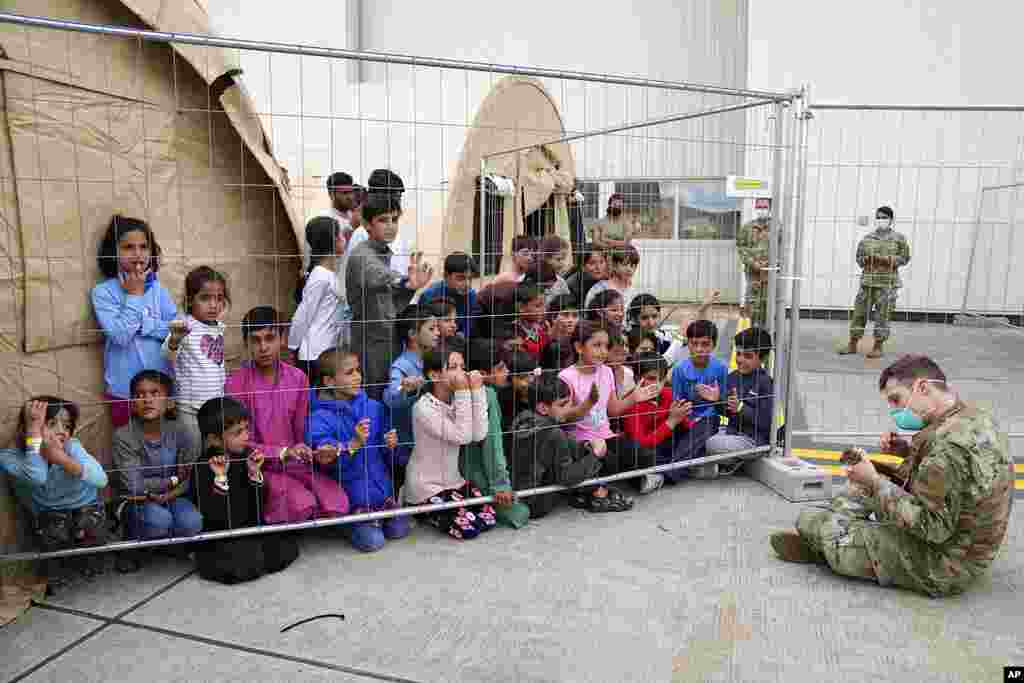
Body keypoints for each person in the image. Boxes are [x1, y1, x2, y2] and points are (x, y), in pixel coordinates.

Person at [772, 355, 1014, 598]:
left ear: (922, 387)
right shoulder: (972, 417)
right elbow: (950, 478)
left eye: (896, 400)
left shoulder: (948, 448)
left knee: (816, 523)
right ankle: (836, 529)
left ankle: (831, 539)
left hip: (946, 565)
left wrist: (876, 482)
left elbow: (932, 529)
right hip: (970, 548)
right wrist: (906, 452)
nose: (896, 411)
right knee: (864, 482)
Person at [225, 306, 348, 524]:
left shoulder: (298, 378)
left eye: (270, 338)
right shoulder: (235, 383)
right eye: (255, 340)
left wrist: (316, 449)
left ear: (282, 338)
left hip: (296, 462)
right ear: (247, 344)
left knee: (337, 503)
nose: (263, 347)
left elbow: (303, 428)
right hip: (257, 465)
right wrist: (281, 452)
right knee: (301, 503)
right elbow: (238, 443)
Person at [306, 348, 406, 552]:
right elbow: (326, 462)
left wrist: (391, 446)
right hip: (351, 499)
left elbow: (391, 457)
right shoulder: (318, 418)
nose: (358, 376)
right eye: (349, 372)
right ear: (329, 382)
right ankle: (343, 523)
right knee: (373, 541)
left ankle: (378, 514)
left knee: (400, 529)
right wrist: (353, 444)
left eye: (358, 370)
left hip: (382, 492)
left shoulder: (374, 407)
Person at [191, 397, 299, 584]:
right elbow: (213, 513)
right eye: (237, 432)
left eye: (246, 429)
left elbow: (258, 506)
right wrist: (220, 478)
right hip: (220, 534)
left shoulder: (245, 456)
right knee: (239, 563)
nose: (246, 436)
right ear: (214, 439)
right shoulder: (203, 465)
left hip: (248, 528)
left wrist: (254, 474)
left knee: (282, 547)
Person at [559, 321, 662, 503]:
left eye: (606, 346)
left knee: (645, 455)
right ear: (579, 347)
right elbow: (563, 419)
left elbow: (613, 410)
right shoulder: (567, 377)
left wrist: (633, 398)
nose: (603, 351)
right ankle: (607, 483)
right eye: (596, 345)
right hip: (582, 442)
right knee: (608, 461)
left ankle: (602, 483)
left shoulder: (606, 372)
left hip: (607, 436)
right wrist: (587, 405)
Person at [91, 215, 177, 429]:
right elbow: (121, 337)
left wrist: (145, 325)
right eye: (129, 247)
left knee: (166, 446)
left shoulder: (159, 290)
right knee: (129, 448)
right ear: (114, 251)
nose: (138, 253)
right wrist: (135, 295)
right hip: (125, 391)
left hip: (162, 387)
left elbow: (176, 330)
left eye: (143, 246)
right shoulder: (103, 292)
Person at [112, 371, 202, 572]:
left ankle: (164, 545)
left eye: (155, 393)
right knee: (159, 521)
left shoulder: (181, 431)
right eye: (140, 394)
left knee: (192, 523)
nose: (147, 400)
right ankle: (131, 545)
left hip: (174, 496)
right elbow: (134, 486)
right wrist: (172, 480)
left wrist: (171, 492)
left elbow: (189, 476)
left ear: (169, 402)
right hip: (136, 500)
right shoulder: (123, 435)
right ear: (133, 402)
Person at [347, 193, 433, 400]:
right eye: (383, 220)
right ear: (367, 224)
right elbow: (377, 276)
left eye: (394, 220)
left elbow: (390, 299)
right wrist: (405, 282)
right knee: (376, 397)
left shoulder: (383, 251)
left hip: (388, 337)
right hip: (371, 342)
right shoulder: (362, 255)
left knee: (393, 394)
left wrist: (409, 287)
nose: (391, 226)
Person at [404, 351, 497, 540]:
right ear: (435, 375)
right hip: (426, 487)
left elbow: (478, 435)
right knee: (468, 529)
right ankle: (421, 510)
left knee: (488, 518)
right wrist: (464, 392)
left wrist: (477, 391)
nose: (461, 374)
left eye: (463, 367)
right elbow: (461, 436)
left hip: (454, 481)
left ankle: (439, 512)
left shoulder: (458, 400)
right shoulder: (423, 408)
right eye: (453, 368)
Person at [1, 398, 108, 552]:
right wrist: (34, 436)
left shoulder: (72, 446)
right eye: (51, 424)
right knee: (54, 535)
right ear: (26, 429)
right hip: (50, 512)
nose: (61, 431)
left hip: (86, 505)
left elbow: (101, 479)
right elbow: (37, 477)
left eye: (67, 426)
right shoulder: (10, 457)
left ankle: (88, 558)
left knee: (91, 530)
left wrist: (63, 459)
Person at [508, 373, 606, 519]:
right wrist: (595, 455)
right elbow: (566, 478)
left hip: (519, 491)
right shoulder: (553, 433)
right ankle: (597, 491)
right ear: (543, 408)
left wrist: (584, 445)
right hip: (537, 501)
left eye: (569, 402)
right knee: (592, 460)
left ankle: (595, 486)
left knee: (578, 448)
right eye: (562, 404)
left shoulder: (521, 419)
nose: (569, 408)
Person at [461, 339, 530, 529]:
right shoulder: (488, 394)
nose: (506, 372)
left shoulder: (459, 392)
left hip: (463, 470)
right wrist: (500, 484)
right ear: (482, 374)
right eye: (500, 368)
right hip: (474, 472)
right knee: (522, 512)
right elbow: (493, 444)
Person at [163, 266, 230, 445]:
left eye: (219, 298)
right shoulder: (185, 325)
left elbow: (216, 363)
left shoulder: (218, 327)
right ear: (191, 300)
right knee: (192, 453)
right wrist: (175, 340)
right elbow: (166, 355)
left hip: (215, 407)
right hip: (189, 408)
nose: (214, 304)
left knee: (213, 454)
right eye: (205, 298)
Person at [839, 206, 911, 359]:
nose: (881, 220)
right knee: (859, 314)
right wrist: (866, 260)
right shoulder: (867, 238)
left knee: (882, 316)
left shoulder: (899, 239)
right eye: (878, 217)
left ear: (891, 220)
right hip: (868, 282)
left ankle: (878, 346)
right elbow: (859, 258)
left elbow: (905, 258)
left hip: (887, 284)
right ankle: (852, 344)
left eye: (884, 217)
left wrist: (888, 260)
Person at [384, 303, 440, 490]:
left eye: (437, 328)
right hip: (408, 446)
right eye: (431, 329)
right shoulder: (402, 365)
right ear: (412, 334)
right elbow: (391, 397)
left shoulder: (432, 359)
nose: (437, 333)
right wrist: (405, 388)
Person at [705, 328, 775, 467]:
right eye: (738, 354)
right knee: (699, 434)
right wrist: (716, 400)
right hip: (732, 433)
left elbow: (766, 421)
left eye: (748, 356)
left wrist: (741, 408)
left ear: (763, 358)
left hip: (754, 440)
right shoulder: (732, 377)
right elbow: (727, 412)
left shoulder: (765, 382)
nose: (740, 360)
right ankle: (726, 464)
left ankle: (728, 463)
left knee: (712, 443)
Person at [622, 352, 694, 488]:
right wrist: (671, 422)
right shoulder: (631, 403)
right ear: (637, 378)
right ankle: (684, 468)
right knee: (642, 457)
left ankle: (672, 471)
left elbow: (687, 427)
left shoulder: (668, 393)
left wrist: (683, 416)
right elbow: (641, 443)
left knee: (702, 429)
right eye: (651, 378)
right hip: (649, 451)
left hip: (671, 446)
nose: (657, 384)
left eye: (661, 379)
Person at [669, 320, 729, 478]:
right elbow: (677, 404)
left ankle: (669, 472)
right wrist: (688, 420)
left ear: (713, 345)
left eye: (705, 344)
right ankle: (693, 466)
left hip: (709, 419)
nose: (699, 349)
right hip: (685, 418)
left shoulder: (721, 368)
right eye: (694, 344)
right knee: (678, 438)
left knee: (704, 428)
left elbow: (722, 405)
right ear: (688, 344)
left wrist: (715, 399)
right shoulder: (679, 370)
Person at [290, 216, 346, 380]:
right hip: (314, 355)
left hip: (326, 351)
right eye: (341, 236)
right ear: (334, 241)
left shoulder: (328, 275)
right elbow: (303, 315)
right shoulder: (320, 277)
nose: (344, 240)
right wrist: (293, 347)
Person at [419, 252, 479, 339]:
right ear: (445, 276)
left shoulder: (471, 295)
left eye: (470, 278)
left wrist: (462, 336)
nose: (467, 284)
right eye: (460, 278)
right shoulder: (429, 295)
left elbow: (469, 326)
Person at [736, 199, 771, 328]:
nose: (762, 210)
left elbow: (783, 248)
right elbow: (741, 247)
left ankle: (767, 330)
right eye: (759, 207)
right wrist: (753, 263)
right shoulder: (747, 228)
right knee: (752, 301)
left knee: (768, 302)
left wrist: (771, 263)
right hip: (753, 273)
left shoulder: (776, 227)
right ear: (755, 209)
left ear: (769, 209)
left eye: (764, 207)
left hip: (770, 273)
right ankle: (751, 329)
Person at [583, 245, 640, 320]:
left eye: (633, 265)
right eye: (625, 264)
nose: (629, 269)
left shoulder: (635, 292)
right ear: (614, 265)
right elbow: (588, 316)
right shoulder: (599, 288)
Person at [513, 283, 549, 361]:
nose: (544, 310)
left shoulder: (543, 326)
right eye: (538, 306)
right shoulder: (514, 333)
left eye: (544, 305)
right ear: (521, 308)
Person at [565, 245, 607, 311]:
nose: (598, 267)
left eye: (601, 262)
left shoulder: (608, 279)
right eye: (592, 263)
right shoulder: (572, 285)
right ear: (582, 266)